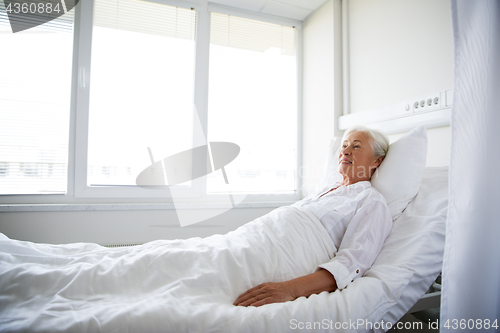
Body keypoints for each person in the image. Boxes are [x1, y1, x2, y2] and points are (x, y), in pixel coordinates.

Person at [234, 126, 392, 307]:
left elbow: (351, 264)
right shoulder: (325, 190)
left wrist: (290, 289)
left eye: (356, 147)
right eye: (344, 146)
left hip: (279, 256)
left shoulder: (371, 201)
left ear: (377, 160)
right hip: (255, 237)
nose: (345, 152)